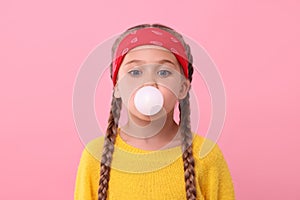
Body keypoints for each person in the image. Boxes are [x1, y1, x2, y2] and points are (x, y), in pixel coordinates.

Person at [74, 24, 235, 200]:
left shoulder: (206, 156)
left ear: (182, 88)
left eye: (164, 72)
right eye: (135, 72)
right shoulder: (95, 156)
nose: (149, 83)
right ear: (117, 87)